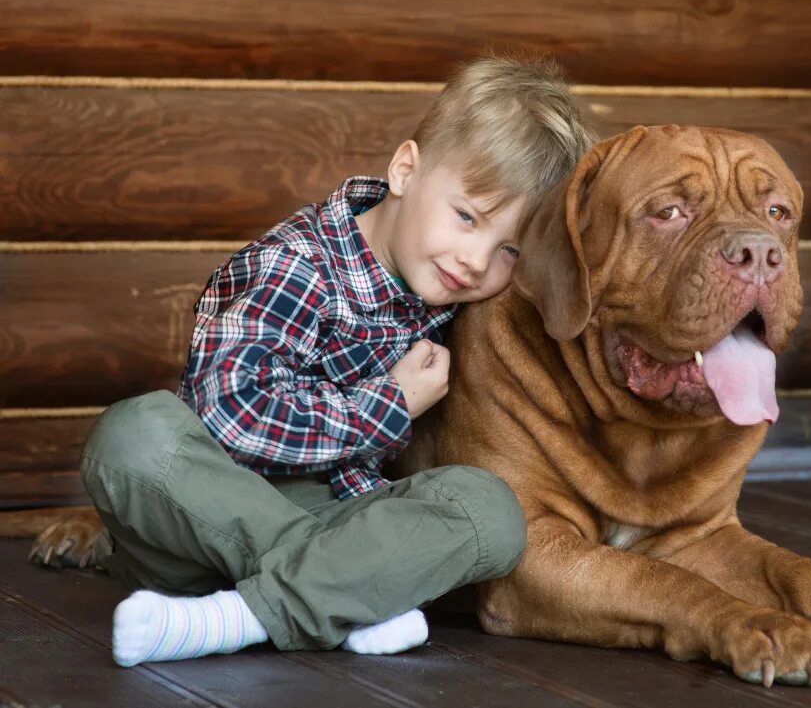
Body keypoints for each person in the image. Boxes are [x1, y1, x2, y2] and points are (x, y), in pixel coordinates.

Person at [78, 54, 597, 667]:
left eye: (508, 249)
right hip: (205, 517)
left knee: (491, 511)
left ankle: (238, 616)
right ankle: (340, 593)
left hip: (347, 517)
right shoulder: (294, 266)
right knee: (132, 435)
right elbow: (234, 415)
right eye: (467, 217)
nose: (477, 261)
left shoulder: (449, 297)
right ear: (406, 169)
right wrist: (389, 405)